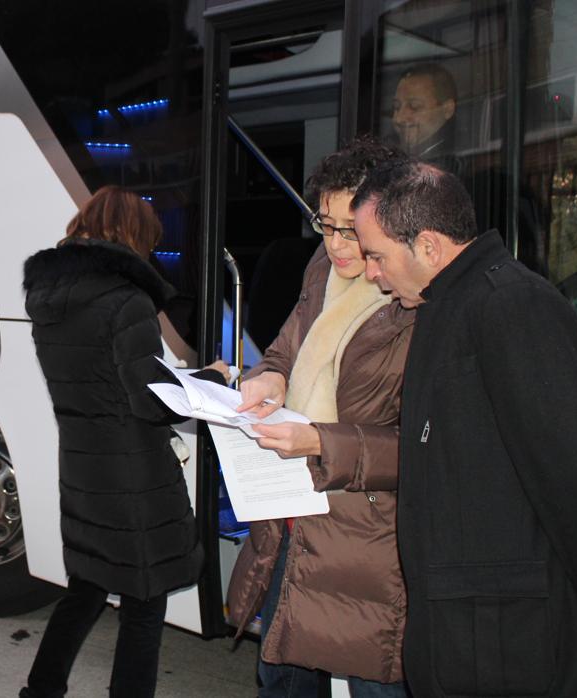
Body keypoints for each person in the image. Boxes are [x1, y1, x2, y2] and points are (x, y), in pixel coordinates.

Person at [351, 159, 577, 697]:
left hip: (512, 650)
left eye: (376, 256)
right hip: (473, 641)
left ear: (427, 245)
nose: (371, 273)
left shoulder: (514, 307)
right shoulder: (445, 305)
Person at [19, 186, 223, 698]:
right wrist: (213, 380)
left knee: (85, 591)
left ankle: (41, 690)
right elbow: (148, 399)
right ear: (134, 236)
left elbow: (103, 383)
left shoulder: (49, 301)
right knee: (144, 606)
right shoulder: (126, 300)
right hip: (135, 482)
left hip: (84, 474)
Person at [226, 137, 412, 697]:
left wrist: (318, 444)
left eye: (350, 229)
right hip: (294, 515)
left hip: (368, 538)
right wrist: (270, 377)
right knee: (281, 674)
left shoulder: (413, 296)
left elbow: (427, 446)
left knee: (373, 685)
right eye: (324, 225)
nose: (335, 244)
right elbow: (287, 347)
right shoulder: (320, 269)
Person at [392, 63, 461, 173]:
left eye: (414, 107)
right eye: (396, 107)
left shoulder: (454, 165)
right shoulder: (388, 151)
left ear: (447, 109)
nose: (399, 118)